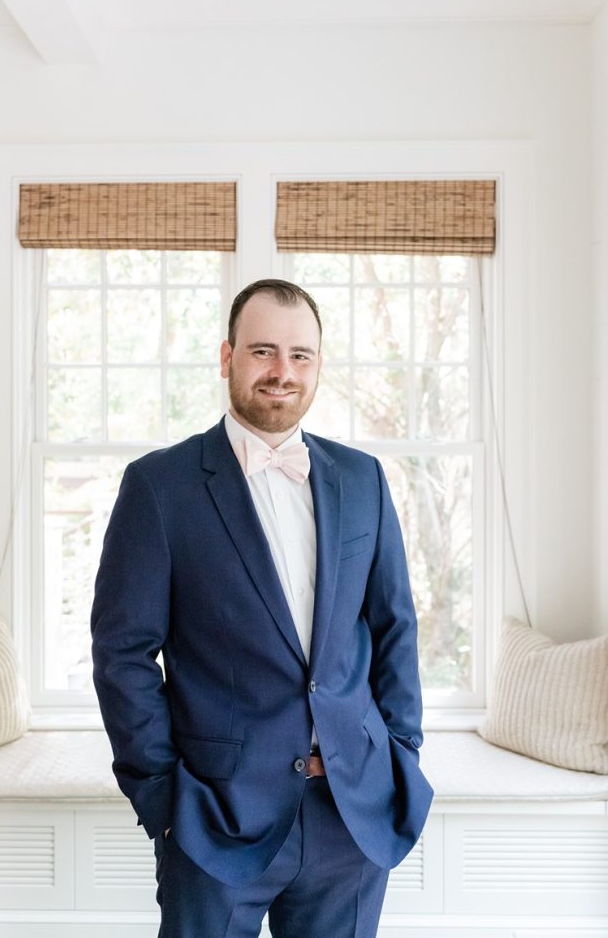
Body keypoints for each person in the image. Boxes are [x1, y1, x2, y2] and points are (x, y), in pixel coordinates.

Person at [91, 278, 433, 938]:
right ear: (227, 358)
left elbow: (394, 627)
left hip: (350, 813)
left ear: (318, 366)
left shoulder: (361, 478)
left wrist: (400, 754)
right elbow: (122, 653)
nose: (282, 372)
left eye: (300, 355)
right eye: (263, 352)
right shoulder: (159, 487)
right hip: (215, 817)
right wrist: (159, 793)